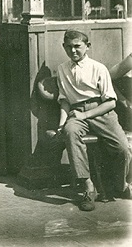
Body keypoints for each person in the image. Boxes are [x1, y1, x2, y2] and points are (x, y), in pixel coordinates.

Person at [53, 29, 130, 211]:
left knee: (122, 149)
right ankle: (88, 187)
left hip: (101, 111)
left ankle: (121, 185)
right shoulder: (62, 69)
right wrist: (62, 124)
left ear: (87, 46)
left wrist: (86, 115)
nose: (73, 50)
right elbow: (64, 100)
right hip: (76, 112)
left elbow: (110, 103)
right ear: (64, 47)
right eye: (69, 47)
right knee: (70, 132)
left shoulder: (98, 68)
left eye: (77, 46)